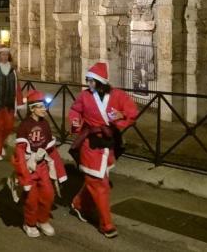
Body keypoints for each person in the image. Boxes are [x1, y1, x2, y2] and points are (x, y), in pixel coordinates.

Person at [68, 62, 138, 238]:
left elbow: (131, 112)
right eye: (87, 80)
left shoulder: (118, 96)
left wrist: (122, 117)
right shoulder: (84, 96)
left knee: (96, 179)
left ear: (100, 82)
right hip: (90, 144)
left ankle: (78, 204)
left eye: (91, 81)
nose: (88, 84)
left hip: (108, 144)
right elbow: (75, 111)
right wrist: (76, 122)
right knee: (100, 184)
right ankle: (106, 224)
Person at [11, 89, 67, 238]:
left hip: (42, 166)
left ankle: (42, 220)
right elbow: (20, 153)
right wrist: (24, 176)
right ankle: (29, 223)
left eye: (45, 106)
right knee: (32, 199)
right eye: (41, 107)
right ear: (32, 109)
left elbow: (51, 148)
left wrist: (59, 171)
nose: (45, 110)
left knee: (48, 195)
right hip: (30, 168)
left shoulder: (45, 124)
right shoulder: (24, 126)